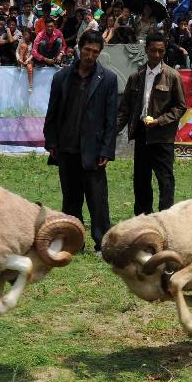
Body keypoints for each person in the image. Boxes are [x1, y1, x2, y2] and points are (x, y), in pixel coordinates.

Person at [43, 30, 118, 253]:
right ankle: (73, 242)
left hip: (94, 150)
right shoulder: (61, 77)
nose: (90, 55)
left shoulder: (108, 79)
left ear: (100, 53)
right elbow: (52, 113)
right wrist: (52, 142)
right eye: (87, 50)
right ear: (79, 47)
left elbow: (110, 119)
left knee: (98, 201)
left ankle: (102, 243)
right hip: (66, 147)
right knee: (70, 199)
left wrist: (106, 149)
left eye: (95, 52)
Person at [117, 32, 187, 215]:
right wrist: (111, 132)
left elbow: (180, 107)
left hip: (162, 137)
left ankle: (165, 220)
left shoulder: (173, 76)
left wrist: (159, 121)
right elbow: (124, 110)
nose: (157, 55)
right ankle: (142, 220)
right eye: (153, 50)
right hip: (142, 134)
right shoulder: (136, 76)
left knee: (165, 181)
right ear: (146, 50)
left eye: (161, 51)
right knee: (141, 181)